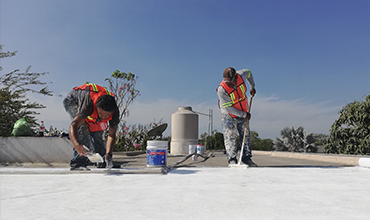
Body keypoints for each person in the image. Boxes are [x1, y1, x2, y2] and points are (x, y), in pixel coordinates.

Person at [63, 83, 119, 170]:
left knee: (98, 130)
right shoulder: (89, 104)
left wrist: (109, 154)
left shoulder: (115, 112)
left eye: (106, 115)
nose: (103, 117)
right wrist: (77, 145)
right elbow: (74, 125)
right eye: (101, 113)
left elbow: (111, 135)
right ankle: (78, 162)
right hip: (73, 100)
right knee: (82, 127)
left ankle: (103, 160)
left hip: (91, 105)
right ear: (97, 107)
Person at [217, 67, 257, 166]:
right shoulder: (221, 90)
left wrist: (252, 86)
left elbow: (249, 72)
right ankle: (232, 160)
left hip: (243, 110)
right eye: (227, 82)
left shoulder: (241, 74)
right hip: (228, 115)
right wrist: (244, 115)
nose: (228, 84)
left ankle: (246, 158)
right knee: (230, 136)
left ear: (235, 77)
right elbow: (229, 108)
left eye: (230, 82)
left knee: (245, 135)